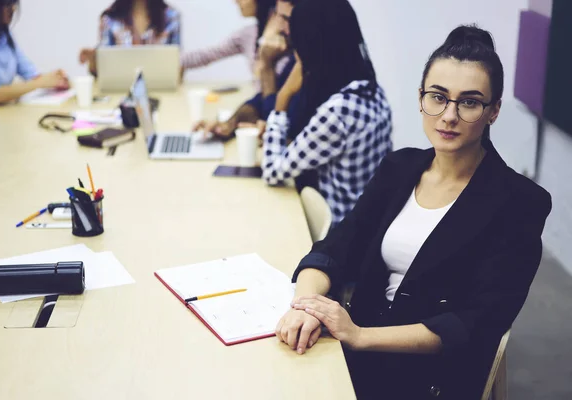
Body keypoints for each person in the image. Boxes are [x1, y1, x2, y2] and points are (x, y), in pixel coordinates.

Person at [276, 24, 552, 399]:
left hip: (429, 377)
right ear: (421, 97)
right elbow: (337, 246)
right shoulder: (400, 168)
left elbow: (473, 324)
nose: (449, 115)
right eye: (438, 97)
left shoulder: (519, 201)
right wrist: (306, 306)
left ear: (494, 111)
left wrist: (358, 336)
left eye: (469, 102)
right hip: (355, 353)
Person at [262, 0, 392, 224]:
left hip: (339, 239)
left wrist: (283, 98)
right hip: (368, 226)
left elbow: (273, 172)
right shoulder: (372, 90)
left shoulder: (337, 113)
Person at [193, 0, 299, 139]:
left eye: (285, 18)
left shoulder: (298, 57)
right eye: (277, 16)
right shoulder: (254, 35)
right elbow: (261, 100)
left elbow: (274, 121)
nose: (235, 1)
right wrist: (231, 122)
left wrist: (267, 65)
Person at [0, 0, 69, 114]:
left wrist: (55, 79)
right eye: (7, 4)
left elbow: (32, 74)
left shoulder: (4, 36)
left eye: (14, 4)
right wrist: (39, 83)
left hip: (0, 114)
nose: (13, 9)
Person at [181, 0, 277, 87]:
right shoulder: (248, 34)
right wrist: (174, 61)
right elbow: (207, 55)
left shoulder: (286, 36)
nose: (236, 1)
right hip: (261, 103)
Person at [78, 0, 181, 76]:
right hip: (118, 93)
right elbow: (102, 72)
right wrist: (93, 59)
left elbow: (178, 65)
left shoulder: (171, 17)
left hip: (164, 93)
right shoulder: (110, 18)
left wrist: (180, 66)